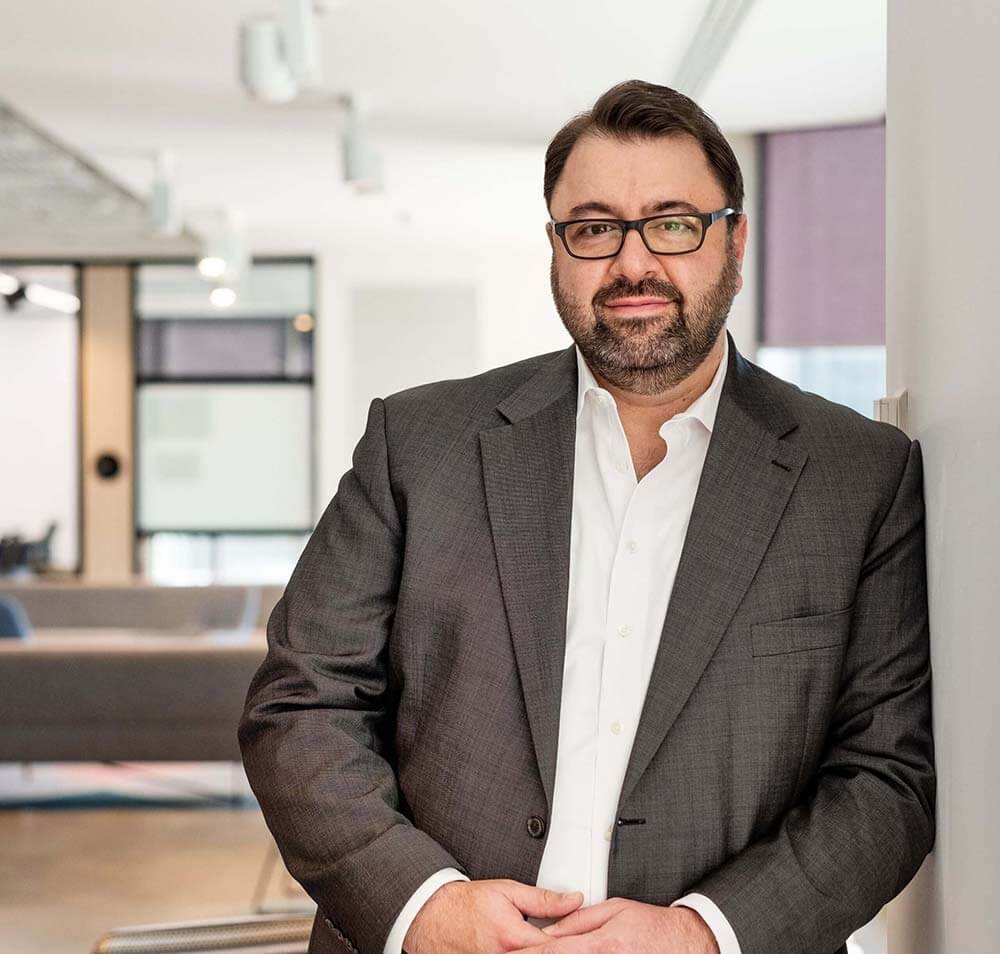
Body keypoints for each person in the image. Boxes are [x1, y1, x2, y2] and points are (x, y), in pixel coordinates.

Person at [238, 79, 934, 954]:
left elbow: (886, 775)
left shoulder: (857, 475)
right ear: (557, 249)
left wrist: (703, 935)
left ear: (736, 240)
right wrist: (424, 908)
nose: (633, 263)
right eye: (595, 227)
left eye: (674, 223)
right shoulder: (419, 443)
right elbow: (302, 704)